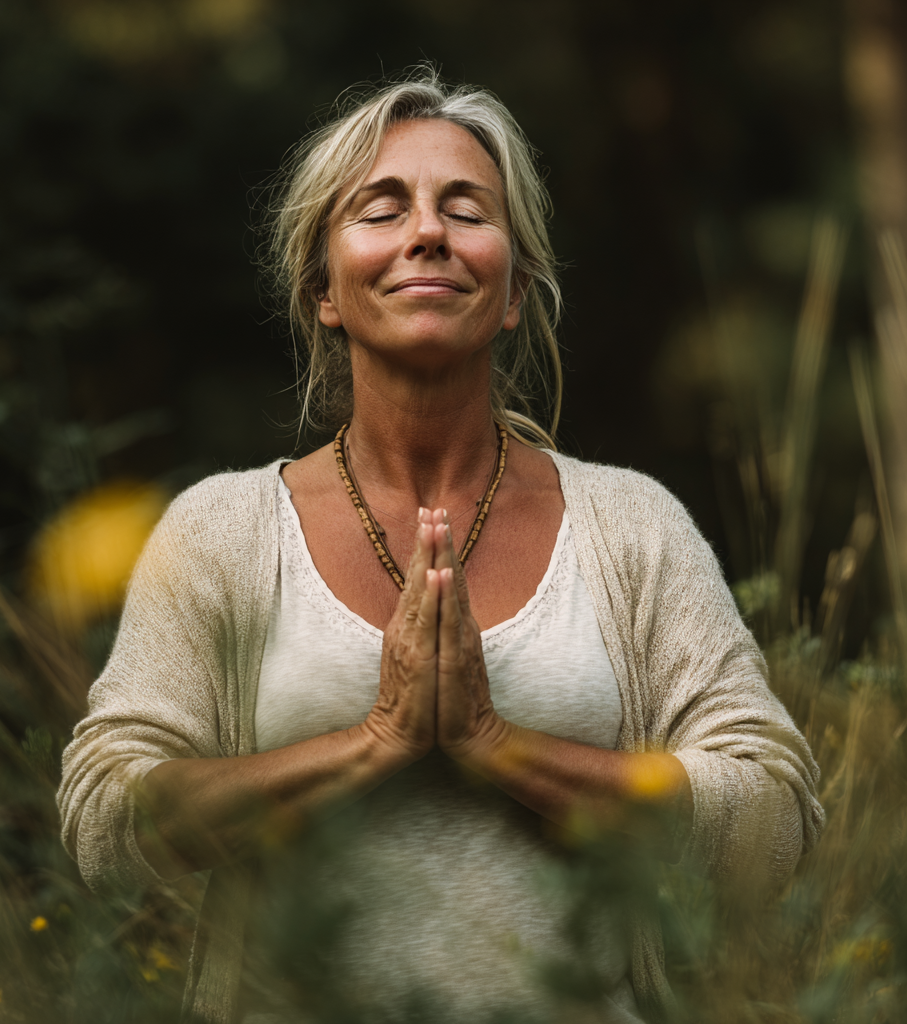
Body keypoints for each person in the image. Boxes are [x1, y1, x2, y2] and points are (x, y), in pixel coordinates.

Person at [58, 71, 823, 1024]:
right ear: (324, 290)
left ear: (510, 293)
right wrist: (372, 743)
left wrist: (496, 748)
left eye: (465, 210)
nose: (428, 232)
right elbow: (105, 826)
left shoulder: (632, 525)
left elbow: (773, 819)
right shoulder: (221, 533)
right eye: (382, 209)